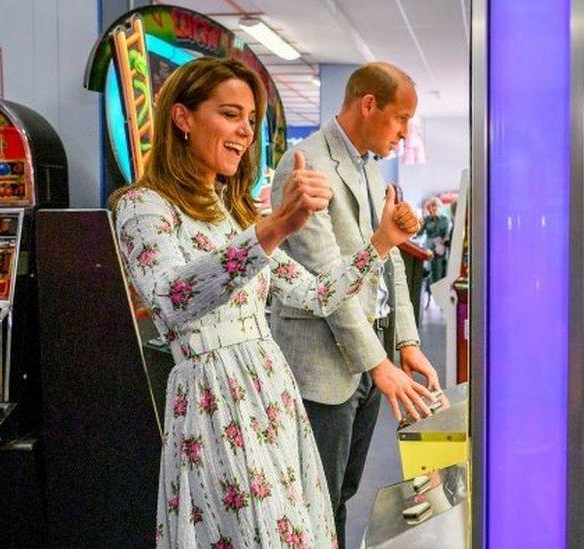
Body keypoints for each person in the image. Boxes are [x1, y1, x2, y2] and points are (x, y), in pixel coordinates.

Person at [110, 57, 421, 548]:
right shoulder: (142, 206)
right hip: (214, 401)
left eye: (251, 120)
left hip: (270, 394)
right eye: (231, 114)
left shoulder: (230, 213)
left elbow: (316, 294)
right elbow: (171, 300)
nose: (245, 132)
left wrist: (381, 243)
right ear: (183, 117)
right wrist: (275, 227)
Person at [270, 62, 441, 549]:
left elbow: (388, 263)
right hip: (324, 363)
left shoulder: (370, 166)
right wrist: (379, 363)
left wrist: (405, 341)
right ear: (369, 104)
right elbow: (328, 282)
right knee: (316, 498)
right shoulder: (305, 164)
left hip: (367, 359)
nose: (405, 132)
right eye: (401, 118)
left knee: (342, 492)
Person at [419, 196, 452, 286]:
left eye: (436, 206)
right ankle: (431, 292)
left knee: (440, 272)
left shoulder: (445, 219)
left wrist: (441, 245)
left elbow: (447, 235)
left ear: (440, 207)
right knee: (430, 273)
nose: (433, 208)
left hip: (440, 248)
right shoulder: (426, 219)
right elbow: (419, 233)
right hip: (429, 248)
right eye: (431, 206)